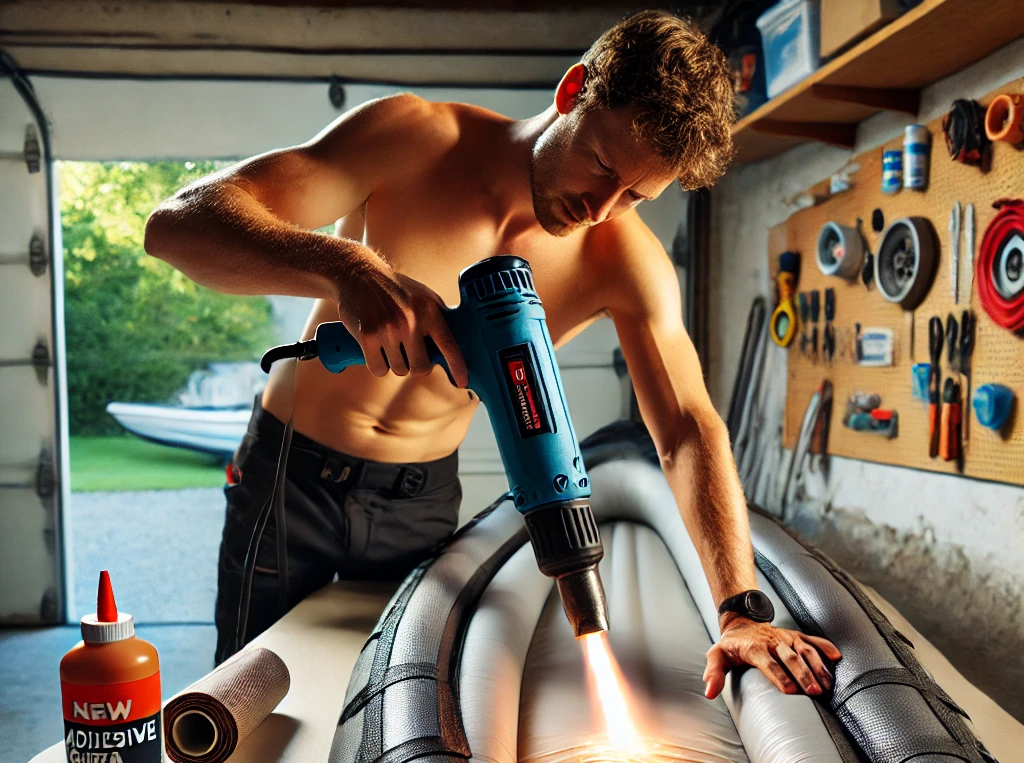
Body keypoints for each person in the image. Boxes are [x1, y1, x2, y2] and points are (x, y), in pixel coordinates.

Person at [145, 10, 841, 698]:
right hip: (288, 473)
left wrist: (740, 610)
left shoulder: (622, 260)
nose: (601, 208)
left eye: (635, 195)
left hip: (420, 502)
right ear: (573, 92)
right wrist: (346, 268)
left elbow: (688, 427)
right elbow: (177, 226)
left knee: (382, 703)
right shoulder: (416, 139)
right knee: (238, 696)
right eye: (601, 166)